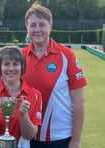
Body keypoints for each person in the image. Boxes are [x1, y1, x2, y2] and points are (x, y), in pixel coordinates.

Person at [21, 2, 88, 148]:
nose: (37, 29)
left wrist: (76, 140)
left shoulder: (67, 55)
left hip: (59, 138)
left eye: (42, 24)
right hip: (26, 138)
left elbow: (79, 102)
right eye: (33, 25)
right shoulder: (19, 57)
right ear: (27, 27)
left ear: (50, 26)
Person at [0, 46, 42, 148]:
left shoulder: (35, 95)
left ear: (22, 67)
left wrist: (24, 115)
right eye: (6, 64)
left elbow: (30, 135)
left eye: (15, 64)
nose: (11, 69)